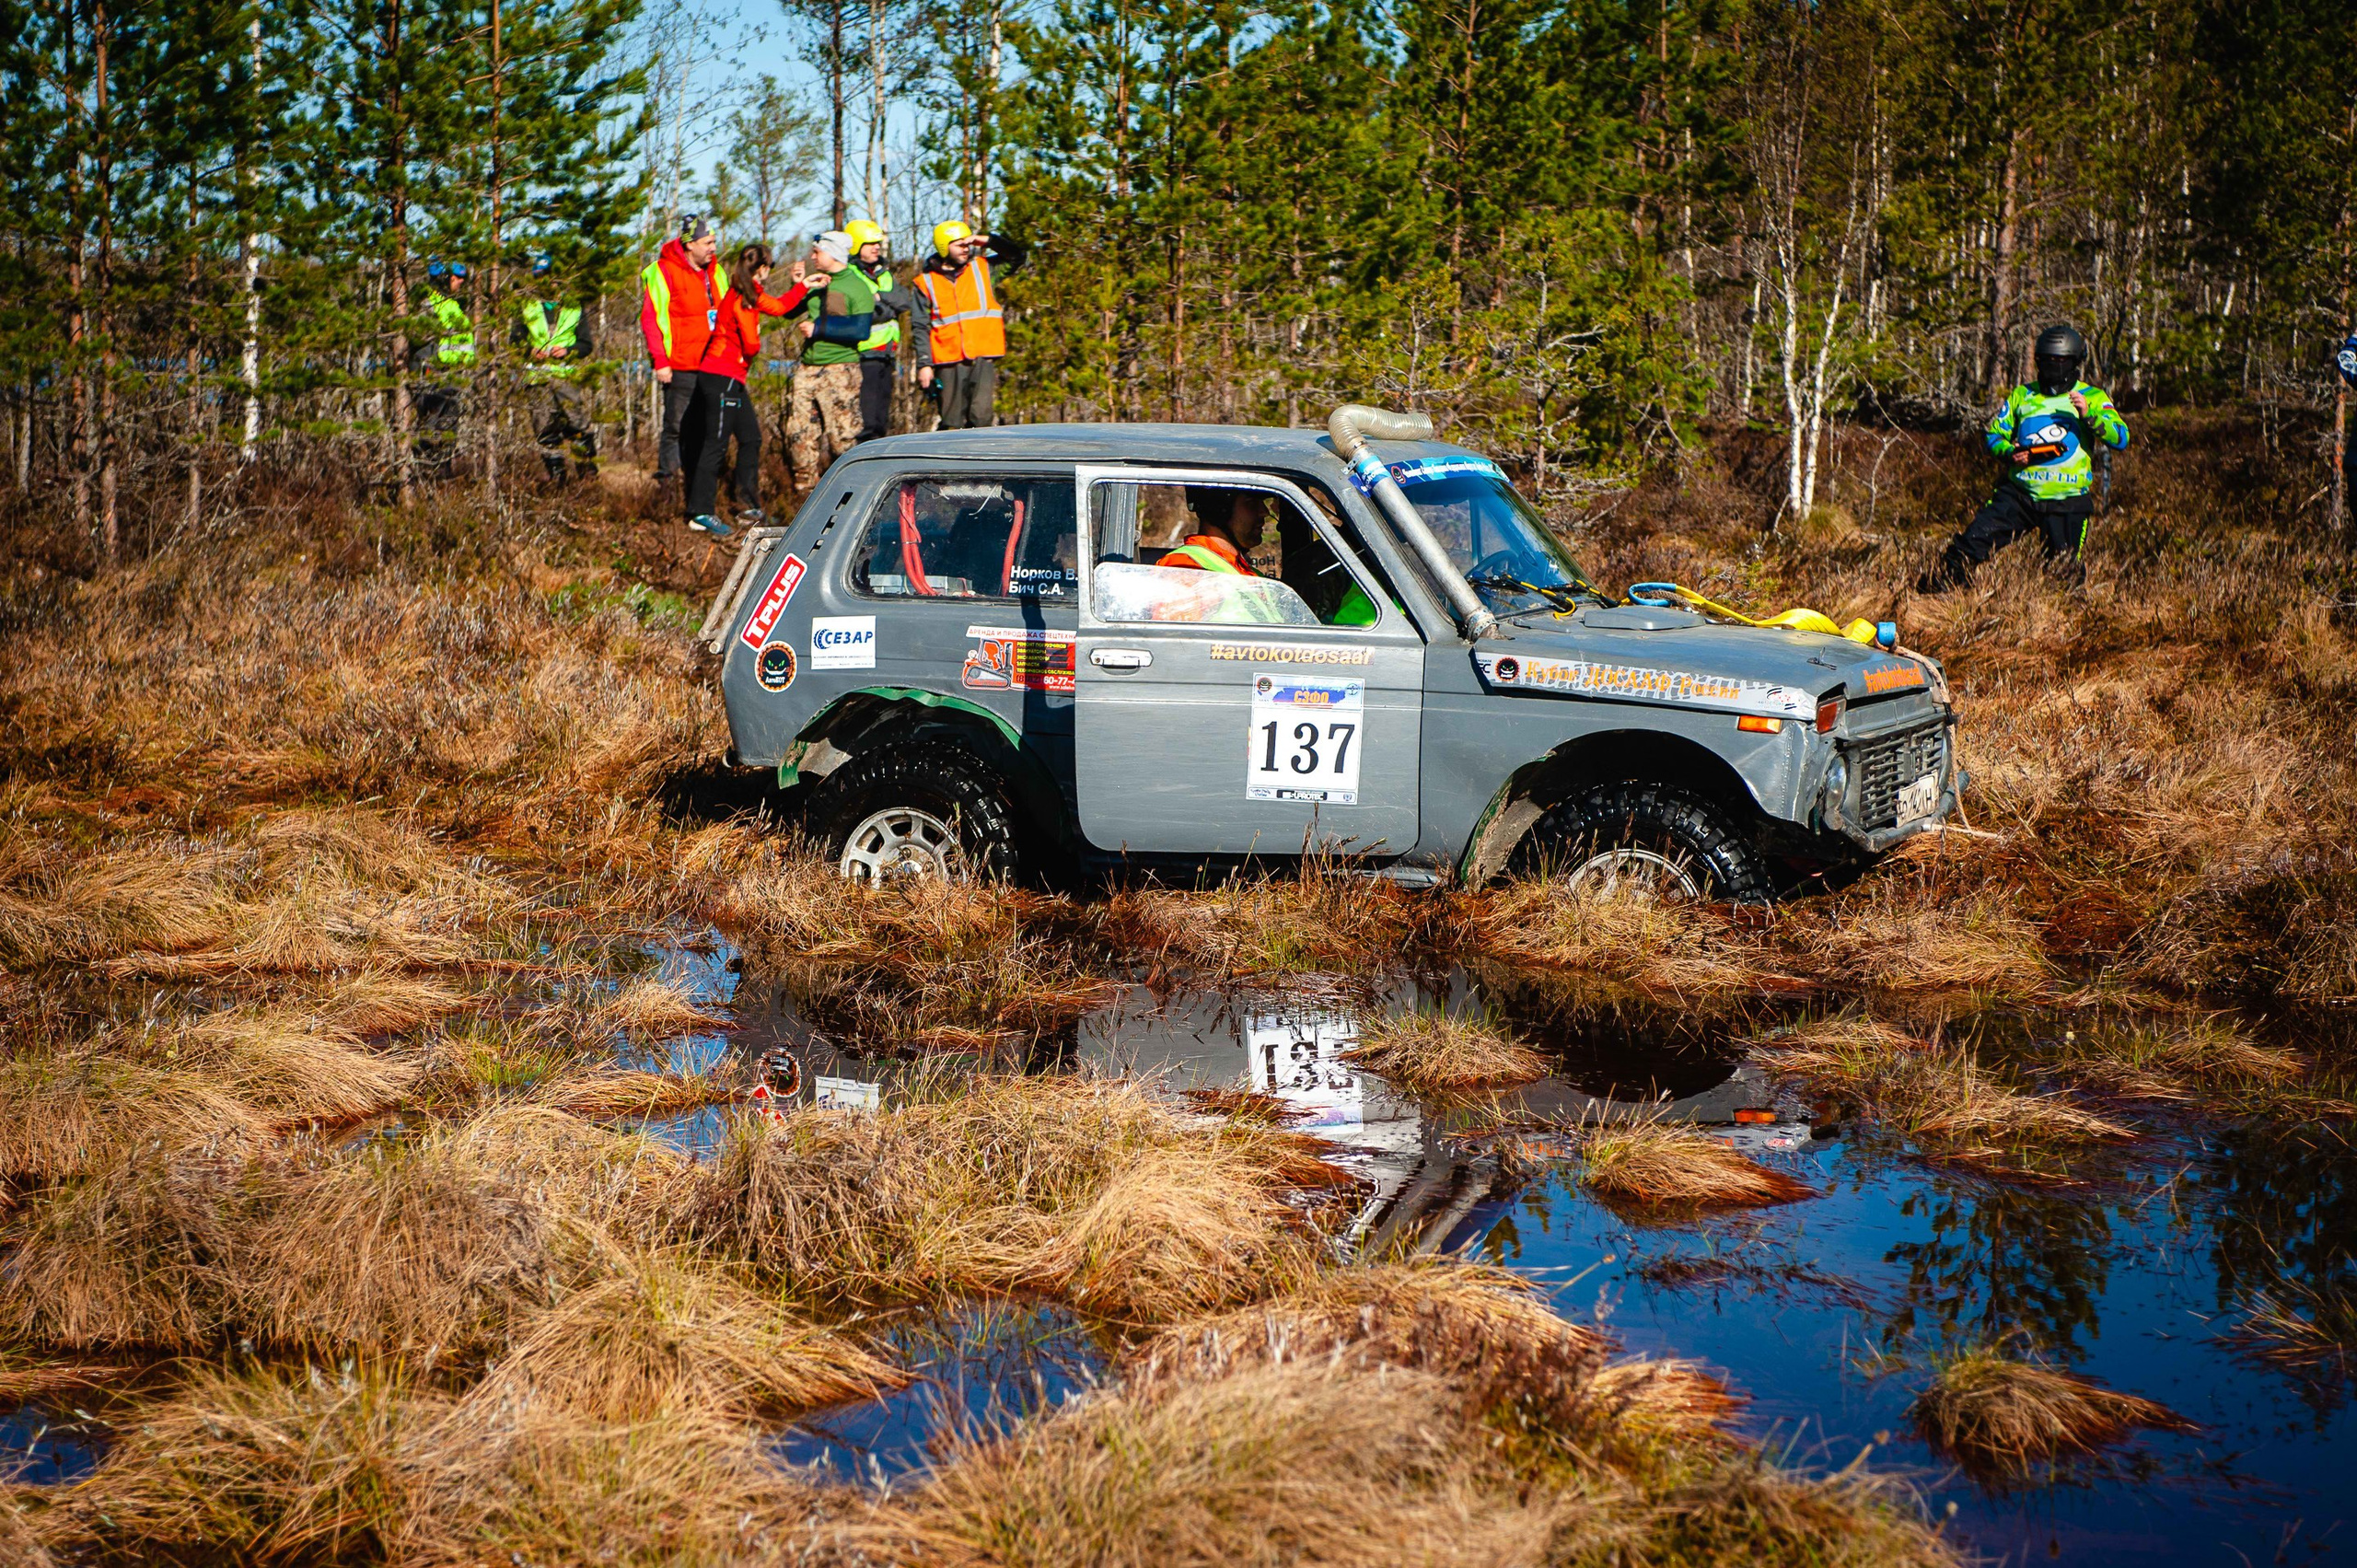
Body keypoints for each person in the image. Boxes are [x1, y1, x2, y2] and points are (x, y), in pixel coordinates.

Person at [1919, 323, 2131, 592]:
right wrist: (2010, 452)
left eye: (2061, 360)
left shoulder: (2093, 397)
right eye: (2048, 360)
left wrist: (2089, 416)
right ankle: (1943, 595)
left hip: (2067, 500)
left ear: (2075, 362)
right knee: (1970, 544)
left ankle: (2056, 613)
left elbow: (2121, 438)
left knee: (2064, 576)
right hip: (2020, 494)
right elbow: (1994, 436)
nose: (2054, 366)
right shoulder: (2022, 395)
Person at [682, 242, 813, 537]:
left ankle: (747, 506)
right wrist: (752, 339)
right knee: (716, 444)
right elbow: (752, 344)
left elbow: (779, 307)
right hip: (721, 377)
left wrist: (803, 285)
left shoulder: (751, 292)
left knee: (751, 438)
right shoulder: (742, 297)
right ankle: (699, 512)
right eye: (769, 266)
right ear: (761, 268)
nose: (769, 271)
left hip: (733, 379)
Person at [911, 220, 1027, 430]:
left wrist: (989, 241)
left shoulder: (984, 268)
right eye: (959, 245)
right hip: (948, 360)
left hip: (983, 356)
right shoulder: (926, 282)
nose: (966, 248)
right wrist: (924, 364)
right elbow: (919, 326)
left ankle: (982, 453)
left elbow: (1017, 256)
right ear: (944, 247)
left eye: (967, 244)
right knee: (951, 422)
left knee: (982, 418)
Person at [638, 215, 727, 485]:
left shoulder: (717, 272)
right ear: (690, 244)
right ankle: (669, 484)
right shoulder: (663, 271)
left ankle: (701, 483)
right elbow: (651, 319)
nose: (713, 248)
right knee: (676, 426)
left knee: (710, 427)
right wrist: (660, 361)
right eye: (707, 242)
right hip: (679, 366)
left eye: (714, 242)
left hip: (714, 365)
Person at [784, 231, 874, 490]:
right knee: (800, 433)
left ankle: (849, 492)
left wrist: (819, 329)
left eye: (817, 252)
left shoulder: (857, 286)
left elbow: (861, 330)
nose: (812, 257)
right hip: (807, 368)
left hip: (840, 369)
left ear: (833, 253)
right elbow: (789, 312)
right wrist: (798, 285)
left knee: (842, 437)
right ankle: (804, 493)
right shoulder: (816, 282)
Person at [515, 254, 598, 483]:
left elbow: (586, 345)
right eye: (539, 278)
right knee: (544, 430)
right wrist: (529, 350)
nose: (544, 283)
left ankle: (587, 475)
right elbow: (515, 340)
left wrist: (568, 350)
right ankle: (557, 479)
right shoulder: (526, 306)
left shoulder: (573, 306)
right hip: (537, 379)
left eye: (547, 277)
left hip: (565, 378)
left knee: (577, 424)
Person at [844, 218, 911, 442]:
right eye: (870, 244)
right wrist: (888, 307)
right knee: (867, 421)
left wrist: (880, 298)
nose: (877, 248)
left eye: (878, 243)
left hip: (887, 353)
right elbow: (865, 313)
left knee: (881, 420)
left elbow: (904, 301)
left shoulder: (883, 273)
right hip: (865, 354)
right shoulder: (851, 275)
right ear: (856, 246)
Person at [412, 261, 474, 479]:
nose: (460, 282)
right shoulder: (427, 302)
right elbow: (417, 337)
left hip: (451, 373)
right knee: (431, 426)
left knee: (449, 426)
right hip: (432, 372)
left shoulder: (452, 305)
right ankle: (423, 473)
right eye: (456, 278)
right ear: (444, 279)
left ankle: (443, 475)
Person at [1160, 488, 1268, 574]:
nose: (1265, 512)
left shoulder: (1250, 573)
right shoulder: (1183, 565)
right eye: (1251, 503)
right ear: (1220, 510)